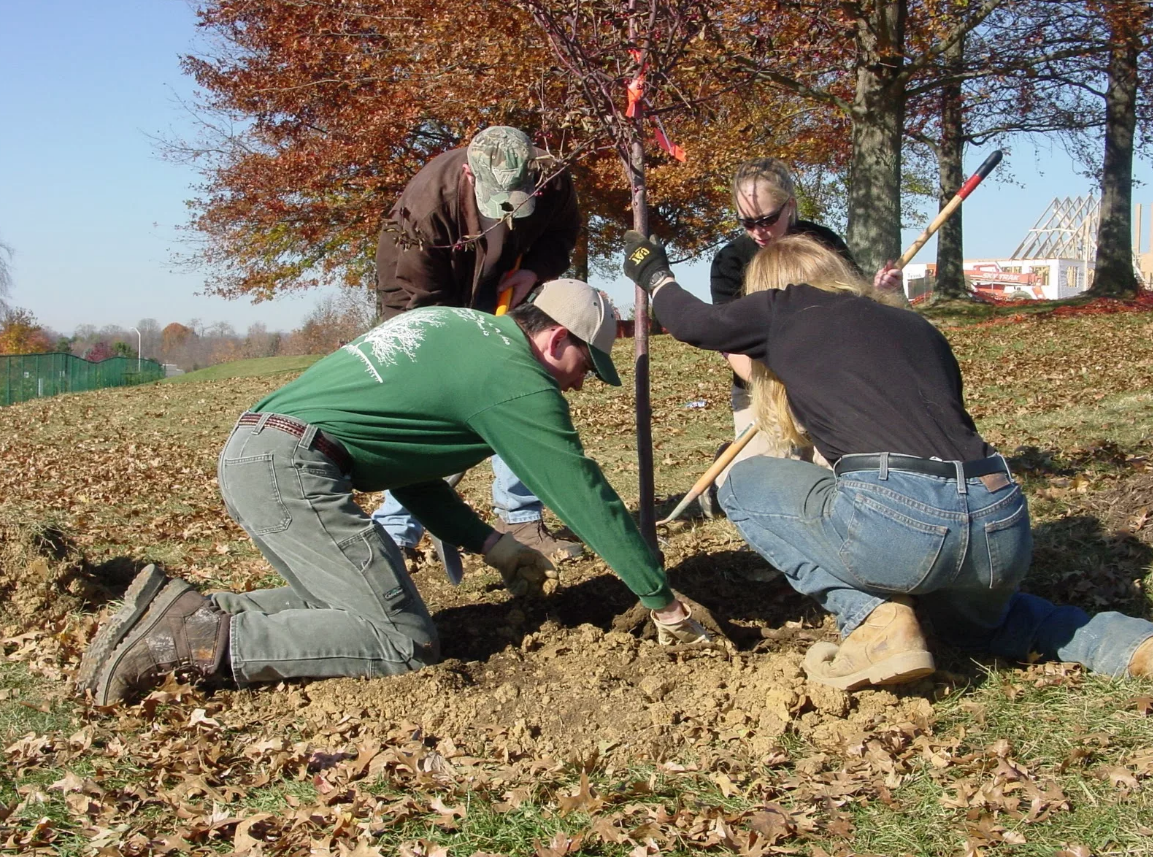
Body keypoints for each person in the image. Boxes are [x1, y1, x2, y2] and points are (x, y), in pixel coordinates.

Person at [77, 280, 711, 706]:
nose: (579, 386)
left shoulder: (460, 329)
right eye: (584, 366)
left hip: (260, 450)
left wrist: (490, 544)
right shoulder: (518, 378)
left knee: (334, 600)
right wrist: (662, 601)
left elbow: (405, 468)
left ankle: (193, 608)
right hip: (293, 468)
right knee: (402, 641)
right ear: (555, 340)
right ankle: (184, 643)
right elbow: (582, 493)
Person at [621, 232, 1153, 690]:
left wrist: (654, 273)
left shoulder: (785, 306)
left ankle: (877, 623)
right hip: (1000, 520)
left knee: (743, 482)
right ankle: (1131, 643)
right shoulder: (915, 327)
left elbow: (695, 323)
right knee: (987, 627)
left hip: (904, 520)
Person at [373, 125, 584, 563]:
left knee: (520, 388)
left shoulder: (552, 178)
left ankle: (521, 520)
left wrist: (536, 271)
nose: (506, 209)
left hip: (507, 286)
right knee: (434, 408)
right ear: (470, 174)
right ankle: (395, 531)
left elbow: (562, 233)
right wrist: (459, 357)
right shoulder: (428, 204)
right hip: (422, 299)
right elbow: (423, 298)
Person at [700, 159, 902, 514]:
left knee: (842, 473)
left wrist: (878, 293)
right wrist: (783, 390)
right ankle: (723, 477)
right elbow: (731, 346)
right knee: (767, 480)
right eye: (747, 222)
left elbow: (851, 306)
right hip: (761, 381)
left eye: (767, 219)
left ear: (790, 205)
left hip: (828, 379)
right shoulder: (731, 262)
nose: (758, 230)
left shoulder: (822, 243)